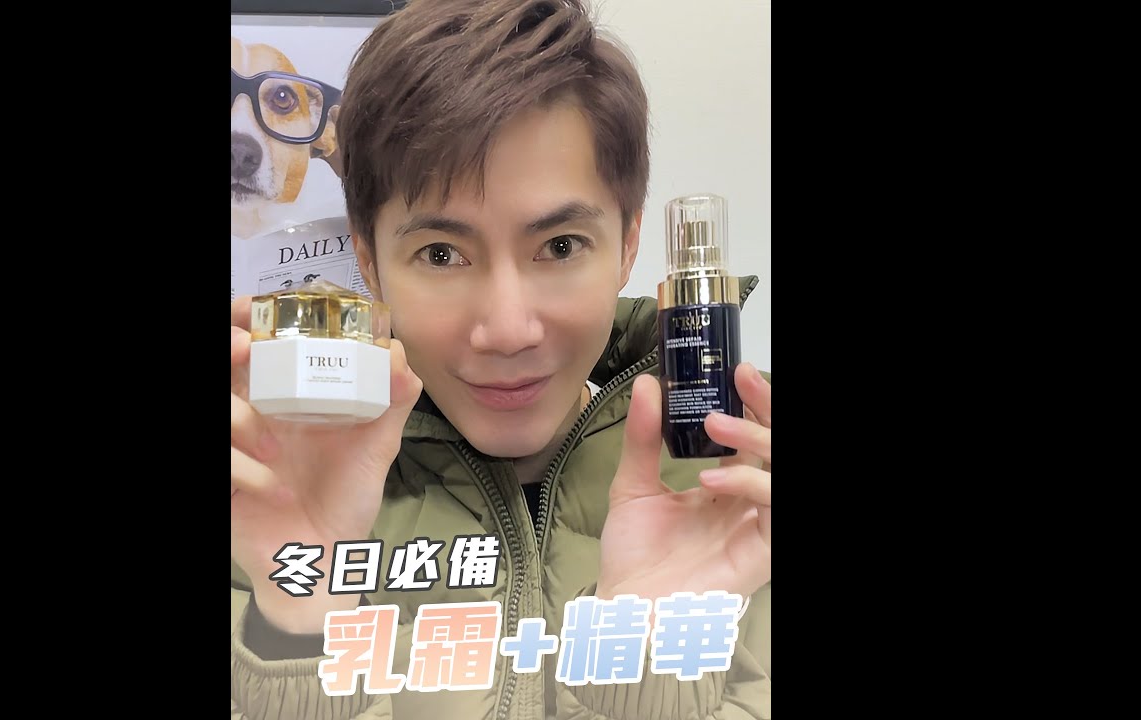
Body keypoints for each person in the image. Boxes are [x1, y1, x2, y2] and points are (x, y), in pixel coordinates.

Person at [230, 0, 771, 717]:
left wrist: (643, 663)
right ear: (368, 260)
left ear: (628, 244)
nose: (508, 330)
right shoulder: (262, 486)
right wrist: (297, 626)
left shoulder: (747, 482)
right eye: (441, 254)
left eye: (559, 247)